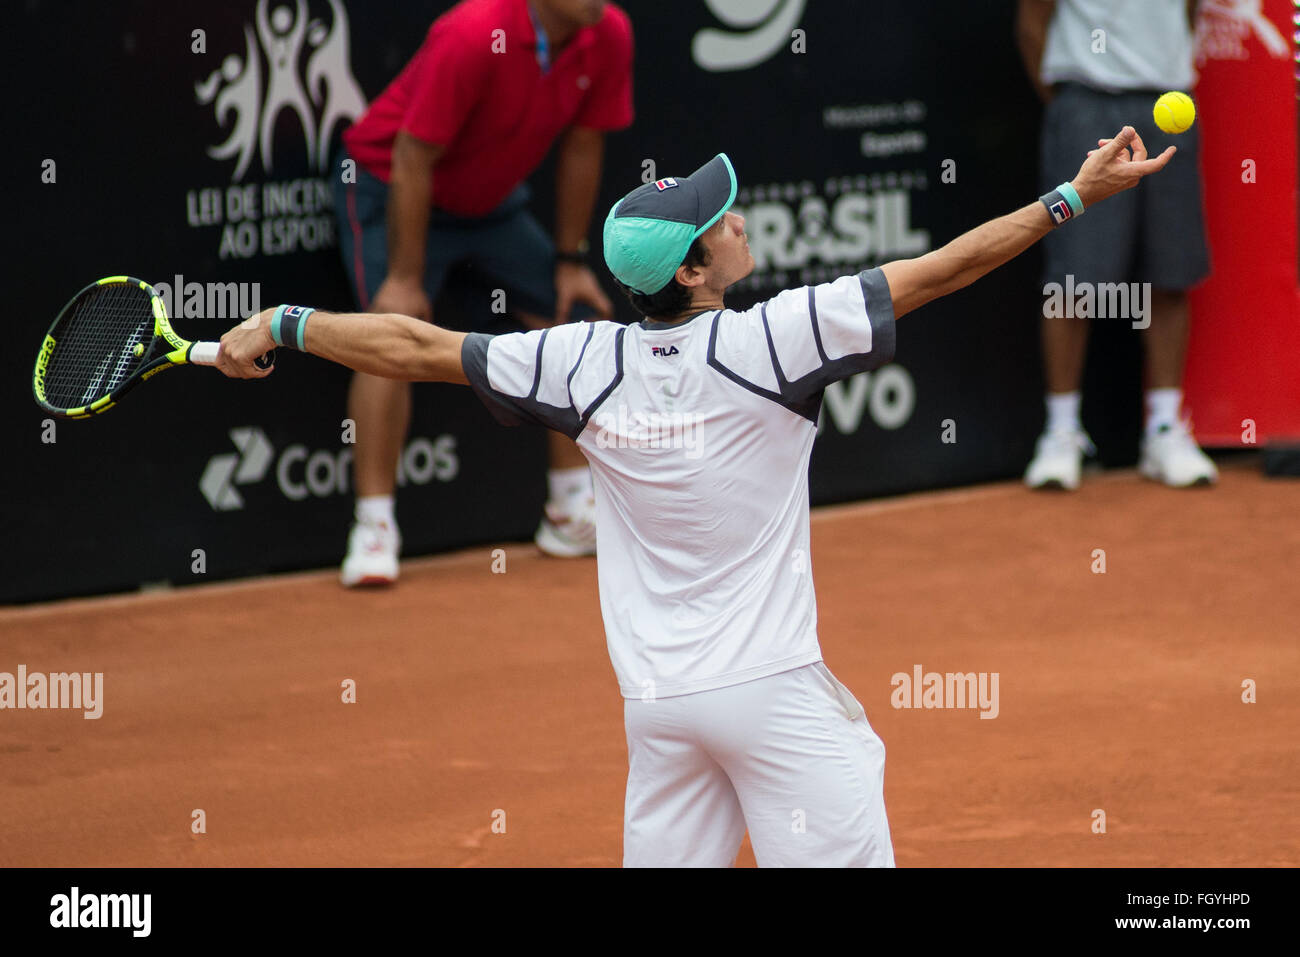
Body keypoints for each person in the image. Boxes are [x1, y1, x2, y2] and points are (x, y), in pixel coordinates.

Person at [217, 128, 1174, 866]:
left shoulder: (579, 358)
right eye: (720, 221)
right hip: (773, 698)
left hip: (660, 707)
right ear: (692, 269)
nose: (737, 219)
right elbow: (948, 267)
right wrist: (1073, 196)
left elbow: (414, 348)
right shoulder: (777, 339)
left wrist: (284, 321)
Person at [333, 0, 633, 585]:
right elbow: (413, 154)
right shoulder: (474, 33)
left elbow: (584, 144)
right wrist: (404, 276)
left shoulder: (609, 34)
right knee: (386, 336)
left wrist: (571, 260)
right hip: (388, 184)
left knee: (564, 318)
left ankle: (570, 510)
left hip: (488, 204)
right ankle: (373, 527)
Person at [1017, 0, 1217, 489]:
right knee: (1074, 282)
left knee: (1170, 274)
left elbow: (1188, 15)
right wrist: (1072, 107)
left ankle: (1165, 430)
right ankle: (1062, 433)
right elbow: (1032, 23)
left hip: (1168, 105)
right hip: (1087, 106)